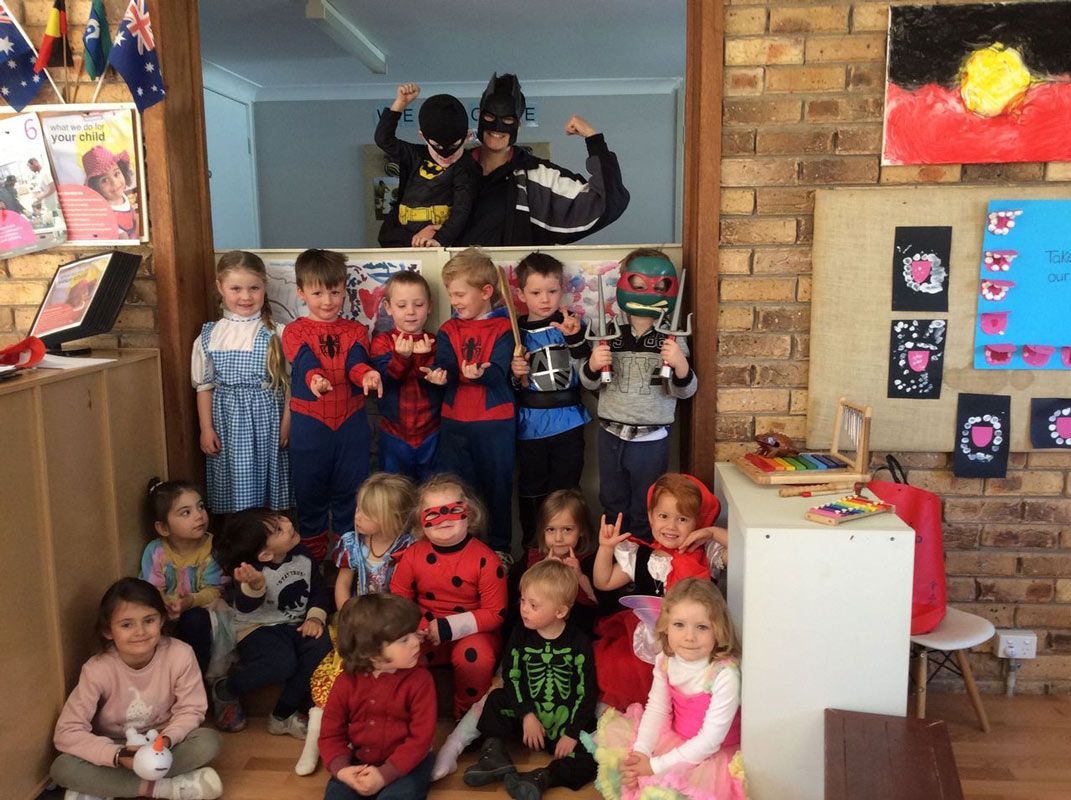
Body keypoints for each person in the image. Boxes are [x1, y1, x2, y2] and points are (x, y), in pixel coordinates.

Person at [50, 578, 223, 800]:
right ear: (108, 631)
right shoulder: (97, 669)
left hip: (162, 743)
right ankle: (167, 788)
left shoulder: (180, 654)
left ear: (162, 620)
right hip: (117, 747)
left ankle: (103, 787)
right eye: (126, 625)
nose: (140, 631)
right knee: (62, 767)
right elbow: (67, 732)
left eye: (149, 620)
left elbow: (192, 710)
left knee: (208, 741)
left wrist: (165, 740)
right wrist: (119, 754)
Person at [295, 472, 419, 775]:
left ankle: (370, 736)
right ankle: (316, 736)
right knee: (339, 674)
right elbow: (342, 585)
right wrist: (350, 619)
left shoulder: (409, 548)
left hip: (393, 627)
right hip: (357, 622)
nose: (357, 516)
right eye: (358, 508)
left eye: (367, 513)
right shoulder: (352, 544)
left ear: (392, 518)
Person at [590, 579, 746, 800]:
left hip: (713, 755)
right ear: (665, 626)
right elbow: (657, 709)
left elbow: (710, 740)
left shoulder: (724, 674)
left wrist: (655, 766)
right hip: (675, 739)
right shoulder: (666, 659)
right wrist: (641, 753)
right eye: (679, 625)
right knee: (639, 777)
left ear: (718, 630)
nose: (689, 637)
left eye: (702, 627)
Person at [581, 248, 697, 541]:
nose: (648, 293)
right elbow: (590, 384)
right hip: (611, 433)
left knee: (646, 504)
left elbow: (686, 391)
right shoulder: (608, 331)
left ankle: (642, 558)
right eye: (639, 285)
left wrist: (680, 364)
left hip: (650, 438)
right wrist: (593, 365)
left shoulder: (673, 337)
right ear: (624, 283)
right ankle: (614, 559)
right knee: (611, 500)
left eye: (659, 286)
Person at [462, 559, 598, 799]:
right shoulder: (520, 633)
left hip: (563, 722)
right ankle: (495, 755)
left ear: (560, 611)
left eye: (533, 605)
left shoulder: (579, 642)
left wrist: (572, 733)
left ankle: (544, 777)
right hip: (527, 718)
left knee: (594, 753)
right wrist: (526, 714)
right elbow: (512, 676)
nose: (524, 609)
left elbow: (586, 691)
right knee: (496, 699)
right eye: (523, 601)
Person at [593, 474, 727, 711]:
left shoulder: (705, 554)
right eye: (663, 516)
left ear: (696, 522)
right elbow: (603, 581)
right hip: (649, 642)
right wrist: (605, 548)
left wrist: (713, 533)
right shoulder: (642, 556)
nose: (671, 526)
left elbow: (746, 548)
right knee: (624, 669)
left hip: (692, 642)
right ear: (651, 517)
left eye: (682, 519)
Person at [282, 248, 382, 560]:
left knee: (350, 495)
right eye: (317, 293)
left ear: (344, 291)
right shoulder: (294, 330)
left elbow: (355, 362)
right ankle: (312, 567)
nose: (327, 301)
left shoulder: (356, 330)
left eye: (335, 292)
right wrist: (315, 379)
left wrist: (367, 375)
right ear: (301, 292)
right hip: (310, 426)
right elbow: (304, 360)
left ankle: (346, 566)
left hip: (351, 424)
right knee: (309, 495)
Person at [459, 72, 630, 246]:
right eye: (489, 117)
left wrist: (593, 138)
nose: (497, 127)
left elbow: (609, 202)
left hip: (514, 264)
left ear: (518, 125)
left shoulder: (538, 177)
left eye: (507, 119)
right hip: (453, 264)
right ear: (479, 117)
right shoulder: (455, 167)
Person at [389, 474, 507, 718]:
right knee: (397, 650)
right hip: (423, 630)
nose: (443, 519)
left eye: (452, 510)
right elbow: (398, 599)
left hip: (473, 633)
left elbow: (495, 612)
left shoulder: (486, 559)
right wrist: (417, 628)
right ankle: (410, 713)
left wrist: (448, 627)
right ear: (420, 522)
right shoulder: (412, 555)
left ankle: (468, 716)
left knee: (475, 656)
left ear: (469, 514)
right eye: (433, 514)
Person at [424, 247, 516, 558]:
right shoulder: (449, 329)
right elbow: (447, 365)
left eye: (460, 294)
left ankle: (500, 550)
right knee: (459, 491)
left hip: (495, 425)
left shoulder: (505, 328)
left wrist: (481, 373)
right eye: (451, 294)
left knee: (497, 490)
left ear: (486, 292)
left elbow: (500, 372)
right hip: (455, 424)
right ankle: (463, 552)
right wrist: (439, 375)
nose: (454, 301)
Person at [210, 508, 332, 736]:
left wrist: (315, 617)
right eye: (278, 529)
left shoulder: (303, 555)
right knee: (282, 662)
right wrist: (255, 586)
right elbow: (246, 605)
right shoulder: (251, 571)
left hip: (295, 623)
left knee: (321, 644)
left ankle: (282, 714)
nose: (288, 523)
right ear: (265, 555)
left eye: (279, 518)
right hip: (257, 628)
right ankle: (226, 689)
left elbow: (317, 590)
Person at [192, 250, 292, 516]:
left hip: (268, 423)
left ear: (264, 287)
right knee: (235, 485)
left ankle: (270, 535)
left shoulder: (278, 333)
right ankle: (239, 534)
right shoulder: (211, 334)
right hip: (228, 425)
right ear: (220, 287)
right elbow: (204, 386)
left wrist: (286, 423)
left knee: (269, 490)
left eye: (254, 288)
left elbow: (290, 385)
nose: (245, 296)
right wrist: (206, 429)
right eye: (236, 288)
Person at [318, 593, 437, 800]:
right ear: (370, 653)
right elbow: (330, 735)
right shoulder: (346, 683)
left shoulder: (421, 680)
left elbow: (421, 740)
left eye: (414, 634)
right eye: (404, 640)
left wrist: (384, 775)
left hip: (409, 763)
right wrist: (343, 770)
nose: (416, 643)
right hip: (359, 762)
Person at [510, 252, 591, 546]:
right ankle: (534, 549)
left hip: (568, 421)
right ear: (521, 294)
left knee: (566, 490)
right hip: (530, 423)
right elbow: (508, 384)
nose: (545, 299)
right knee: (532, 488)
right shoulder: (514, 331)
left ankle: (570, 550)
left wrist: (575, 338)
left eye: (552, 291)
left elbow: (590, 368)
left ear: (562, 289)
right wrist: (515, 372)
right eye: (535, 293)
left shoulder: (572, 325)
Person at [375, 83, 478, 248]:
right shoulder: (415, 155)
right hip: (403, 237)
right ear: (423, 137)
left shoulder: (464, 167)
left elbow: (462, 209)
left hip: (438, 242)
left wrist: (440, 239)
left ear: (467, 137)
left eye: (454, 146)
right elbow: (383, 139)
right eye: (437, 146)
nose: (445, 155)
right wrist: (400, 104)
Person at [140, 478, 223, 676]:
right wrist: (165, 603)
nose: (199, 516)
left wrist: (189, 602)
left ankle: (198, 678)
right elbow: (152, 589)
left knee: (194, 620)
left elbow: (214, 590)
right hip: (165, 608)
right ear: (163, 528)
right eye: (186, 512)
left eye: (200, 507)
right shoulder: (156, 551)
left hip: (203, 610)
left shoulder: (213, 548)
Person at [369, 271, 441, 481]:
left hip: (431, 431)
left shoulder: (435, 342)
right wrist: (402, 357)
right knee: (394, 489)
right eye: (401, 306)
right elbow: (387, 380)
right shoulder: (383, 342)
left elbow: (437, 384)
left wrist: (423, 358)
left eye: (418, 304)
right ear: (388, 307)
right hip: (394, 432)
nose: (410, 312)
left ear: (429, 306)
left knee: (433, 487)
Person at [507, 488, 605, 638]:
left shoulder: (590, 561)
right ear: (542, 531)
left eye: (567, 529)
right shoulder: (532, 558)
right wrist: (542, 571)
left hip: (577, 632)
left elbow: (601, 605)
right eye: (551, 529)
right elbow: (514, 599)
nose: (558, 538)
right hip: (535, 631)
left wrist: (579, 577)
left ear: (581, 530)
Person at [82, 145, 139, 238]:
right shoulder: (105, 214)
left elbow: (130, 212)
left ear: (122, 171)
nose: (114, 183)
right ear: (95, 187)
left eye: (116, 174)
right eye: (105, 180)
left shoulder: (123, 196)